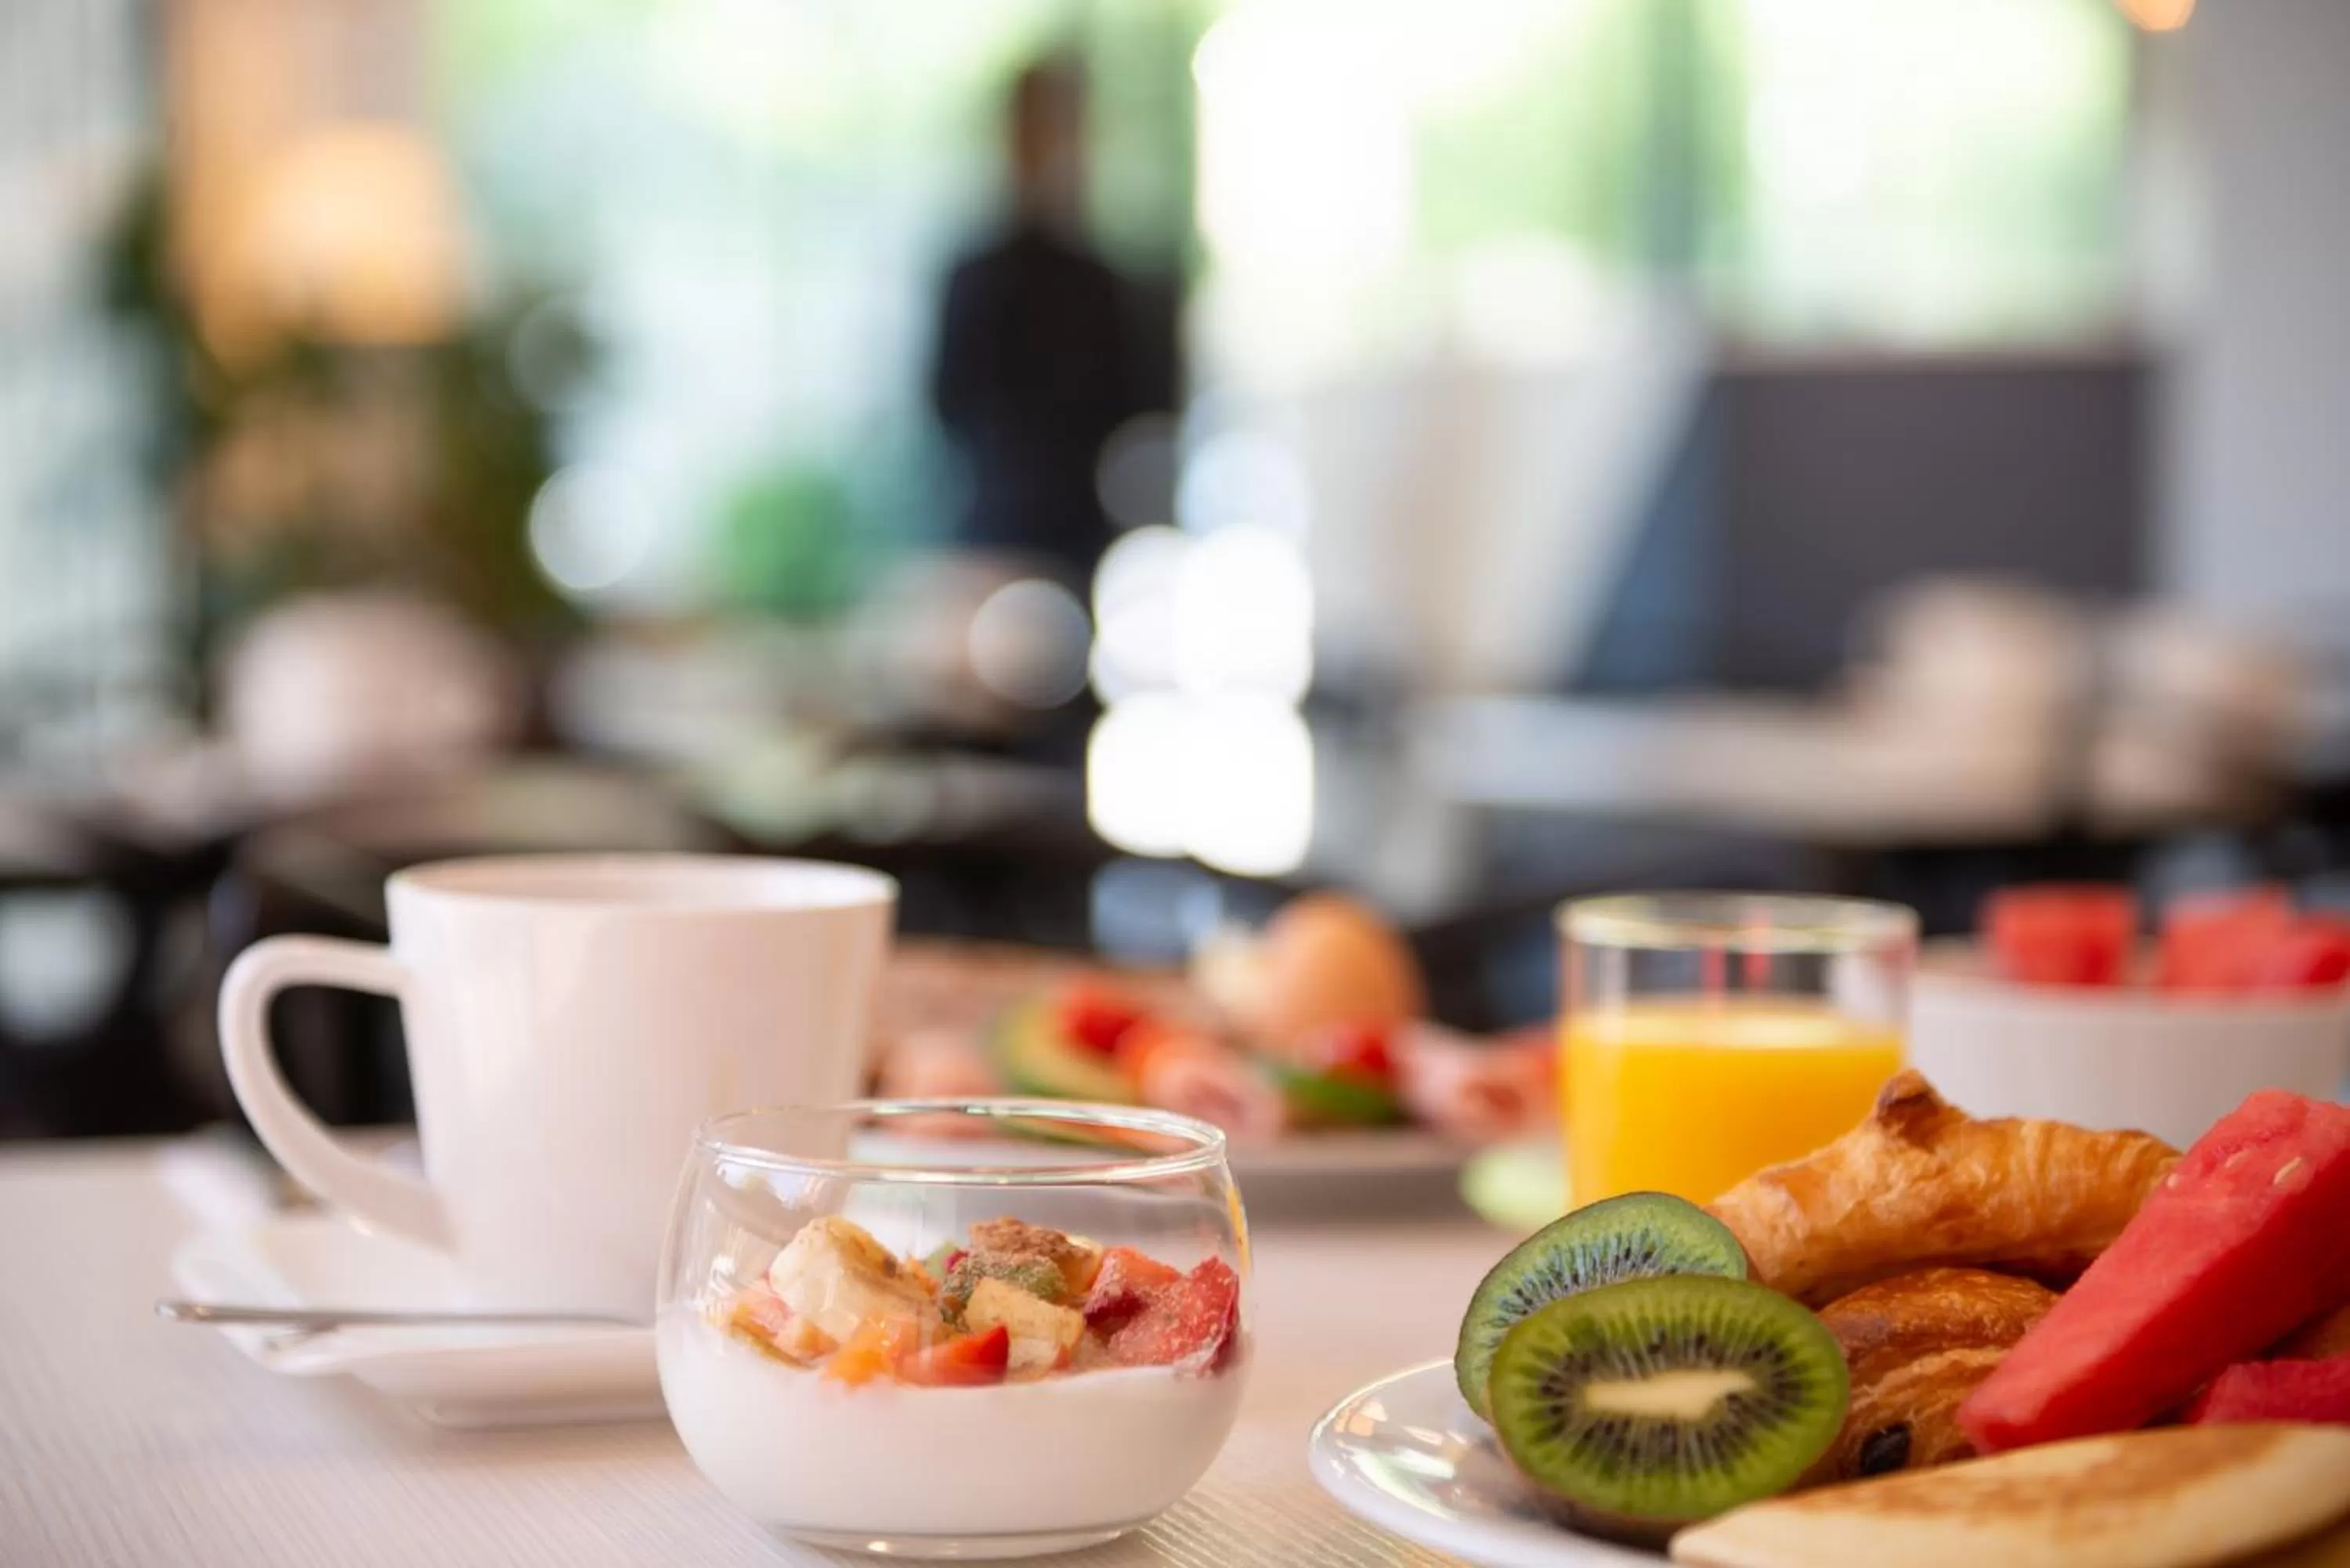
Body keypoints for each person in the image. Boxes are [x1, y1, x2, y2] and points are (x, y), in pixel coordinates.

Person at [929, 56, 1172, 584]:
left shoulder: (1106, 284)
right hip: (995, 539)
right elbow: (946, 403)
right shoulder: (976, 277)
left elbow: (1140, 407)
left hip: (1082, 541)